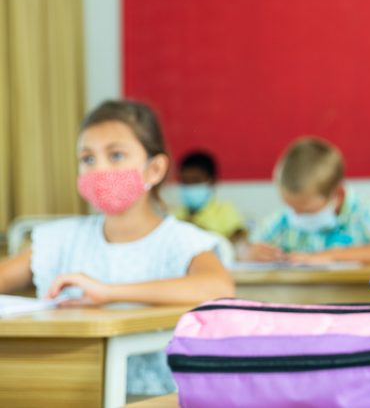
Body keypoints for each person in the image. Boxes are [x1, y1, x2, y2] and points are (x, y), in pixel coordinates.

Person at [0, 100, 234, 395]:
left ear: (155, 169)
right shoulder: (61, 239)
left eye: (116, 155)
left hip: (156, 397)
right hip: (66, 392)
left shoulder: (180, 241)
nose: (99, 169)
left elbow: (217, 288)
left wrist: (109, 293)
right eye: (87, 159)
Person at [246, 137, 370, 264]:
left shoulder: (362, 214)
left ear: (337, 193)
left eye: (306, 210)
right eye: (291, 207)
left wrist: (331, 255)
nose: (296, 216)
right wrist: (247, 253)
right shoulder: (283, 220)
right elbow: (245, 247)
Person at [173, 150, 246, 241]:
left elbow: (239, 240)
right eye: (185, 181)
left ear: (212, 181)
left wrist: (200, 232)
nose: (190, 186)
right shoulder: (173, 215)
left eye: (196, 181)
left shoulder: (225, 211)